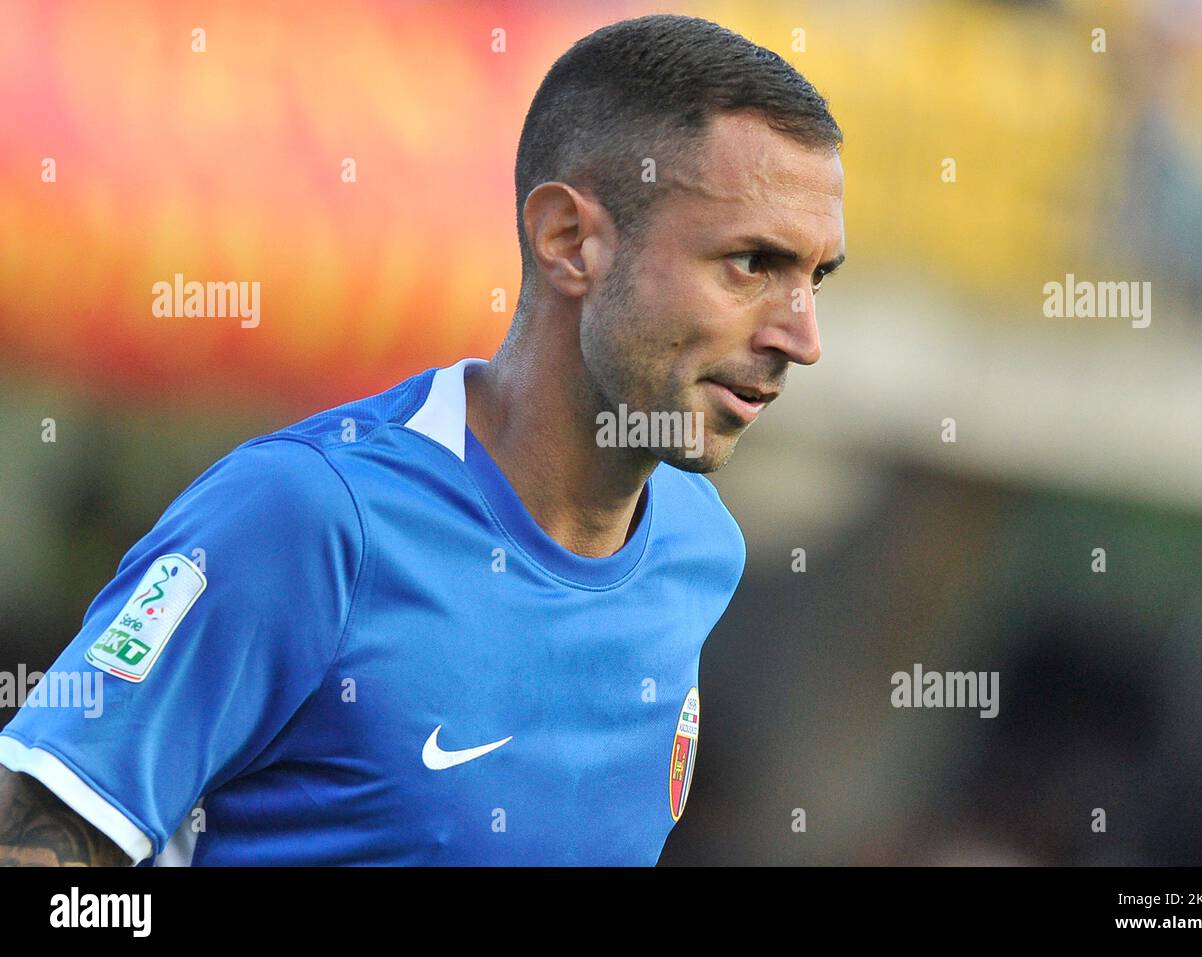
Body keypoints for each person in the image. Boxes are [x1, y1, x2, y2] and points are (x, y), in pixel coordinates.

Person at [0, 12, 845, 865]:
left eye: (815, 278)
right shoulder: (311, 517)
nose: (802, 338)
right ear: (569, 241)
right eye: (751, 263)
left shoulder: (702, 549)